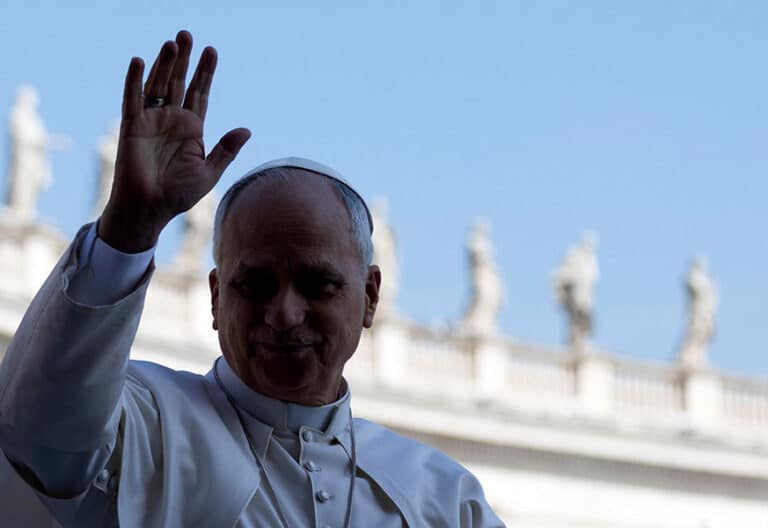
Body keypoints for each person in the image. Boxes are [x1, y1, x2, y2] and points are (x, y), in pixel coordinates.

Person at [0, 31, 504, 527]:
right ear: (216, 299)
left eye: (318, 285)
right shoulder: (143, 423)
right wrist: (128, 228)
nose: (284, 314)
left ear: (370, 296)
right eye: (254, 286)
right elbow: (41, 432)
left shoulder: (443, 497)